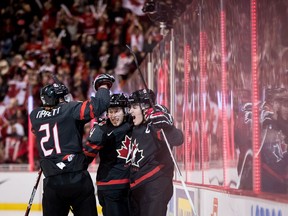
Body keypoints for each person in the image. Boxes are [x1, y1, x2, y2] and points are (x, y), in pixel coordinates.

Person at [29, 73, 115, 216]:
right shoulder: (70, 110)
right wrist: (104, 85)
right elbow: (99, 105)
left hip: (52, 182)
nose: (66, 99)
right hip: (76, 179)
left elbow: (39, 129)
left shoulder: (34, 115)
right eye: (63, 97)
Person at [127, 89, 184, 216]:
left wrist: (167, 126)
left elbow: (178, 139)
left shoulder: (155, 123)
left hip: (154, 187)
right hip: (137, 189)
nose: (130, 111)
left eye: (134, 107)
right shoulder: (135, 125)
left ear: (146, 107)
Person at [83, 93, 133, 216]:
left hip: (131, 186)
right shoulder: (102, 129)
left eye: (116, 111)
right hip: (110, 186)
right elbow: (86, 157)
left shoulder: (134, 124)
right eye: (110, 112)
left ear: (125, 111)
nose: (113, 116)